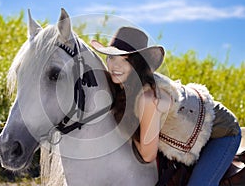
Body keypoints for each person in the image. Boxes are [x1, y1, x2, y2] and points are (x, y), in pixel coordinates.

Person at [90, 27, 241, 186]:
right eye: (112, 58)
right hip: (191, 120)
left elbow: (147, 155)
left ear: (137, 64)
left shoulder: (148, 98)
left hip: (222, 130)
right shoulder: (125, 85)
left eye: (125, 59)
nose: (115, 66)